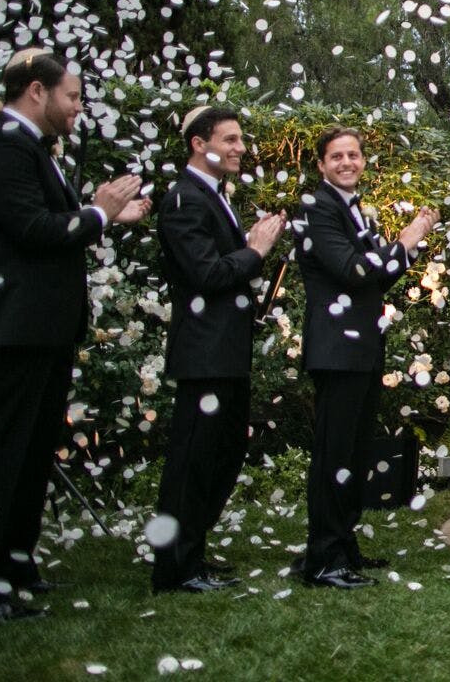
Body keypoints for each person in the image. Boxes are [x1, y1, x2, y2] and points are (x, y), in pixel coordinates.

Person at [0, 49, 149, 624]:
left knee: (30, 457)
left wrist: (103, 216)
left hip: (40, 333)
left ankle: (14, 564)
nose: (78, 108)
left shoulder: (31, 150)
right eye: (72, 96)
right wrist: (97, 213)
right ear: (38, 92)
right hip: (6, 333)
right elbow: (31, 230)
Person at [295, 126, 437, 589]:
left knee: (353, 453)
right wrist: (407, 239)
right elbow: (354, 271)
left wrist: (403, 248)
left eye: (353, 155)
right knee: (334, 454)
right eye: (336, 156)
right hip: (336, 350)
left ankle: (342, 544)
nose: (346, 162)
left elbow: (379, 281)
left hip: (360, 347)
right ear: (321, 165)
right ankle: (322, 558)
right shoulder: (318, 208)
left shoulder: (357, 212)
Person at [150, 106, 285, 595]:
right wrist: (256, 249)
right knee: (192, 460)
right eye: (229, 139)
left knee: (220, 455)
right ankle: (174, 566)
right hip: (204, 353)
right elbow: (206, 274)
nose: (240, 148)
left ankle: (193, 553)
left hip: (224, 350)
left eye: (240, 139)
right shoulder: (185, 200)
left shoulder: (213, 195)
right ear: (197, 143)